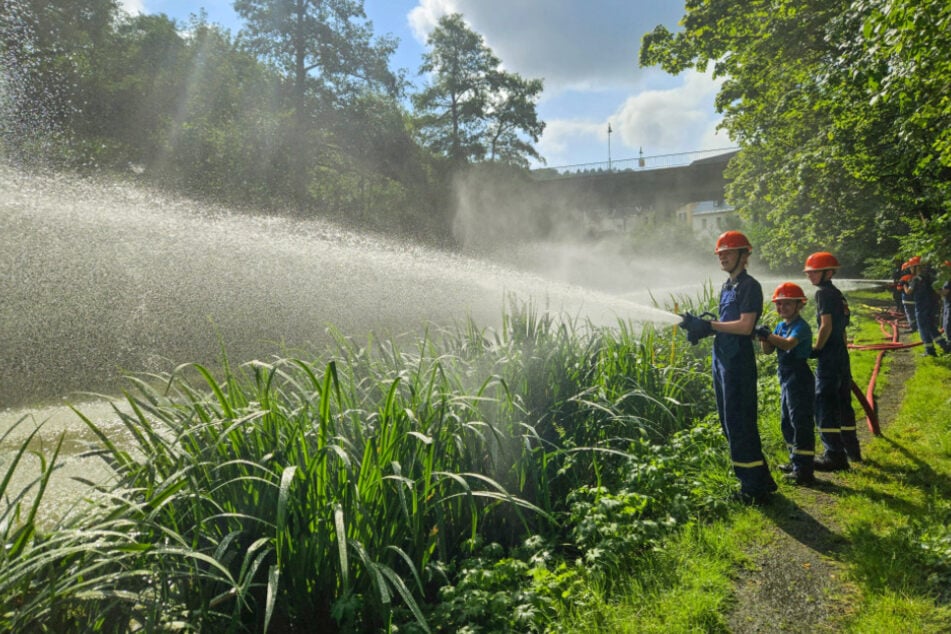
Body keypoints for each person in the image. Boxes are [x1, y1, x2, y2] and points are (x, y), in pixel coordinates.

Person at [680, 230, 778, 504]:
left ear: (744, 256)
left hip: (738, 362)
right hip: (722, 359)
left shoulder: (750, 286)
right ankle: (759, 480)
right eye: (720, 253)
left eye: (728, 252)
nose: (722, 257)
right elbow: (729, 323)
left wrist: (709, 325)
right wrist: (702, 329)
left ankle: (752, 489)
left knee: (739, 422)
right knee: (728, 422)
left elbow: (746, 325)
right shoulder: (727, 286)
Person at [803, 251, 861, 470]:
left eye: (813, 272)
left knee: (824, 402)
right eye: (807, 273)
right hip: (841, 355)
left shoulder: (823, 294)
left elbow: (825, 324)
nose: (809, 276)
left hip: (829, 356)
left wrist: (817, 348)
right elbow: (842, 329)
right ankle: (852, 450)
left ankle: (833, 455)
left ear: (827, 272)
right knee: (843, 401)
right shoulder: (838, 294)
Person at [755, 282, 816, 485]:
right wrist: (763, 337)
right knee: (786, 421)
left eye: (787, 304)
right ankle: (795, 461)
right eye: (778, 304)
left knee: (800, 422)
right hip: (786, 377)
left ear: (799, 305)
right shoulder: (781, 326)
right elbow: (768, 351)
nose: (782, 308)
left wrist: (768, 335)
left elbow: (788, 344)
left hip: (799, 377)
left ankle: (805, 470)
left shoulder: (801, 327)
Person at [906, 256, 951, 356]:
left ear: (916, 267)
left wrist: (905, 284)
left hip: (921, 307)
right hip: (932, 306)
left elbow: (909, 291)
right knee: (931, 326)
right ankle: (944, 345)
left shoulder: (915, 279)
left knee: (922, 327)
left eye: (911, 267)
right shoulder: (930, 276)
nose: (910, 269)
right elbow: (936, 290)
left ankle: (930, 350)